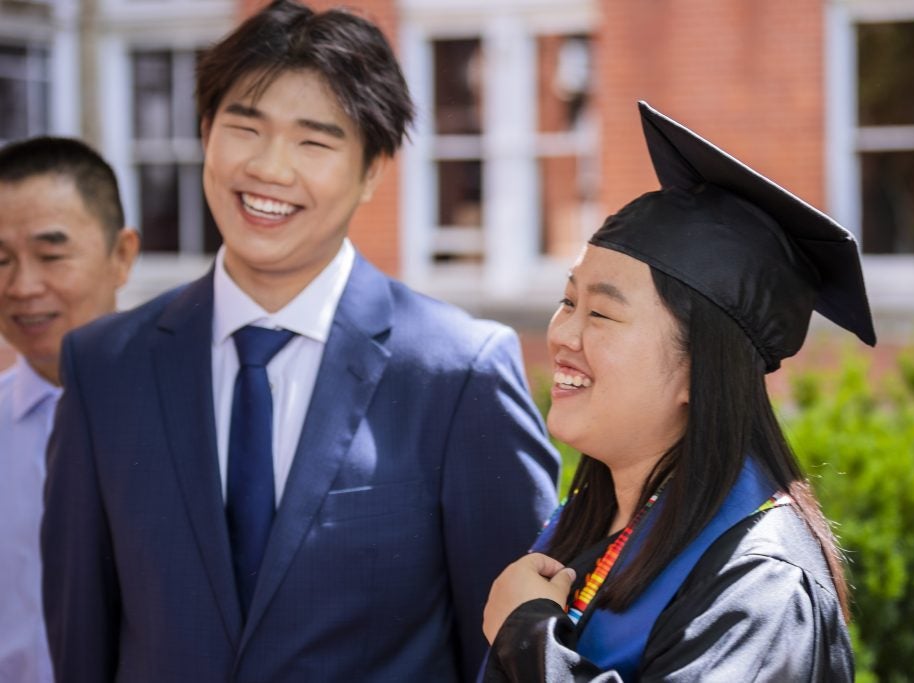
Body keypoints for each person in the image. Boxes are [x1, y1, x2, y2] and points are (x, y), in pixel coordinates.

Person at [40, 2, 559, 681]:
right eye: (244, 127)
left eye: (314, 142)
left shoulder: (458, 373)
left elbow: (511, 654)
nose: (270, 169)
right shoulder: (105, 366)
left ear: (374, 169)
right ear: (205, 132)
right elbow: (83, 642)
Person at [480, 102, 876, 682]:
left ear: (701, 367)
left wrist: (528, 638)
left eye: (602, 314)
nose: (562, 334)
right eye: (568, 301)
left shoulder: (761, 587)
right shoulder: (599, 517)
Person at [0, 136, 139, 683]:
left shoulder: (197, 422)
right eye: (0, 259)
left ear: (122, 255)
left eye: (52, 254)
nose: (22, 286)